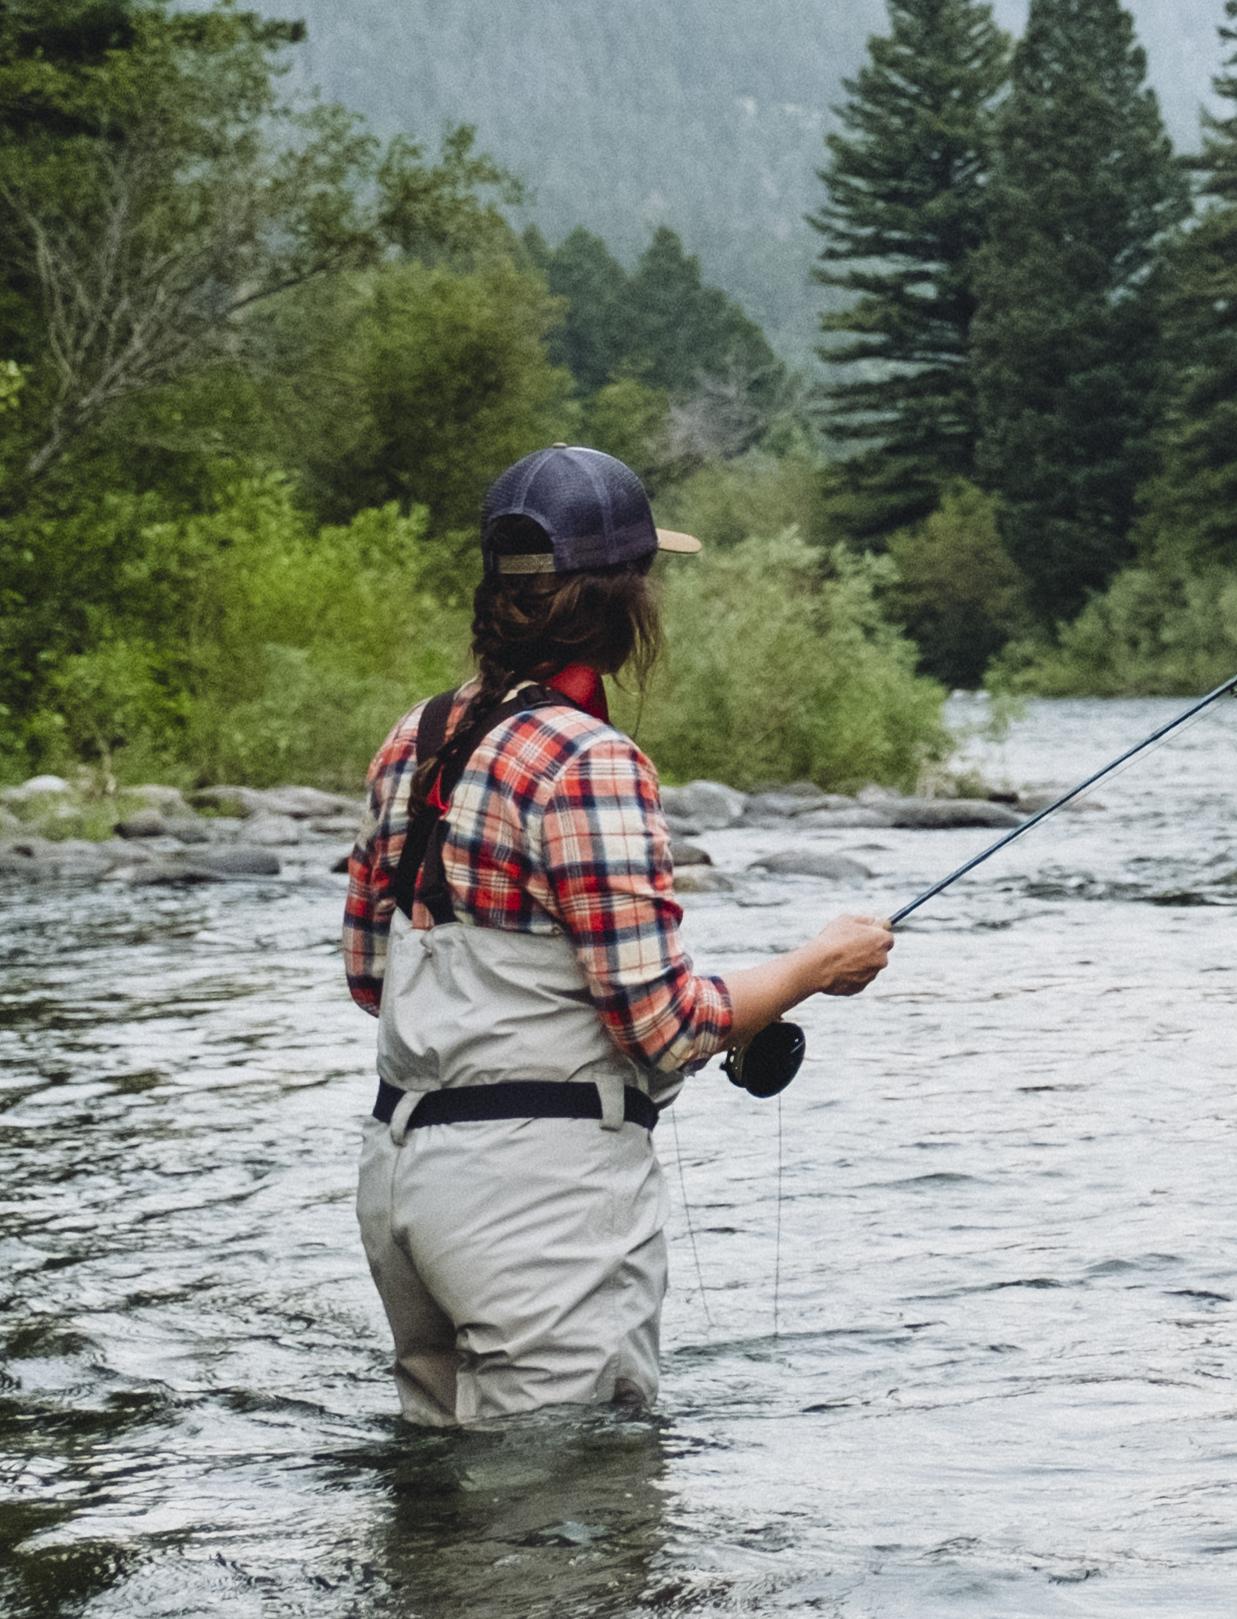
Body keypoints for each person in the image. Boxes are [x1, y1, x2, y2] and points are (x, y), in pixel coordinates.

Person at [343, 443, 894, 1423]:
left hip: (398, 1183)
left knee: (439, 1517)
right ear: (622, 600)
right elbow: (665, 1031)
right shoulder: (588, 758)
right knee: (567, 1511)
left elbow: (369, 977)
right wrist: (816, 966)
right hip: (532, 1205)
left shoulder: (414, 736)